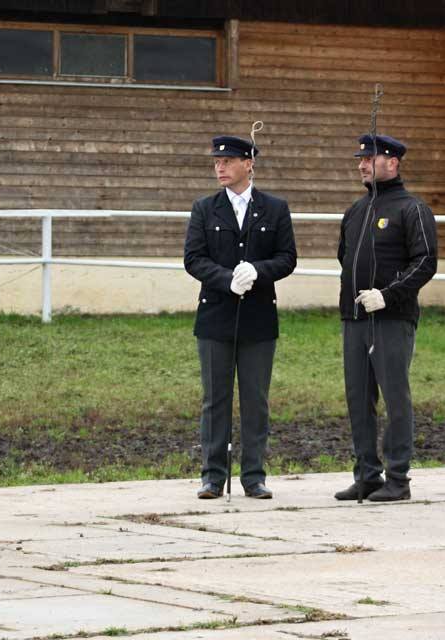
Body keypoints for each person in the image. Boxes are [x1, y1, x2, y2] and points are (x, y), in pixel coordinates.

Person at [184, 135, 297, 499]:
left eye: (228, 161)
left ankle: (254, 476)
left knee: (255, 398)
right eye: (217, 161)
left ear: (249, 164)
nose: (220, 167)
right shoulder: (204, 208)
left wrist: (258, 272)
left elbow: (287, 258)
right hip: (216, 315)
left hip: (258, 317)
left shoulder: (275, 208)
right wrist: (226, 279)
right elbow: (194, 258)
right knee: (215, 398)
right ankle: (212, 477)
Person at [334, 134, 437, 503]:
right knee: (357, 398)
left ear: (392, 163)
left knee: (395, 396)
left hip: (392, 319)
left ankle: (398, 476)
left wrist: (388, 294)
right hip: (355, 317)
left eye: (369, 158)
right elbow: (344, 256)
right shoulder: (356, 211)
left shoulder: (412, 209)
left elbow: (425, 262)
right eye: (360, 158)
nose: (361, 164)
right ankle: (366, 473)